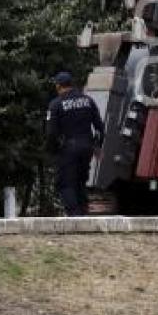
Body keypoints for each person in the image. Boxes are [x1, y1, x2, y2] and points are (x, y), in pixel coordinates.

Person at [46, 71, 104, 216]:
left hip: (68, 148)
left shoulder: (56, 104)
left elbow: (51, 133)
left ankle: (75, 216)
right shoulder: (88, 100)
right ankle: (84, 214)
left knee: (65, 183)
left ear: (58, 86)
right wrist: (97, 146)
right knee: (80, 182)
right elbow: (100, 128)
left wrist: (53, 151)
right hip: (87, 147)